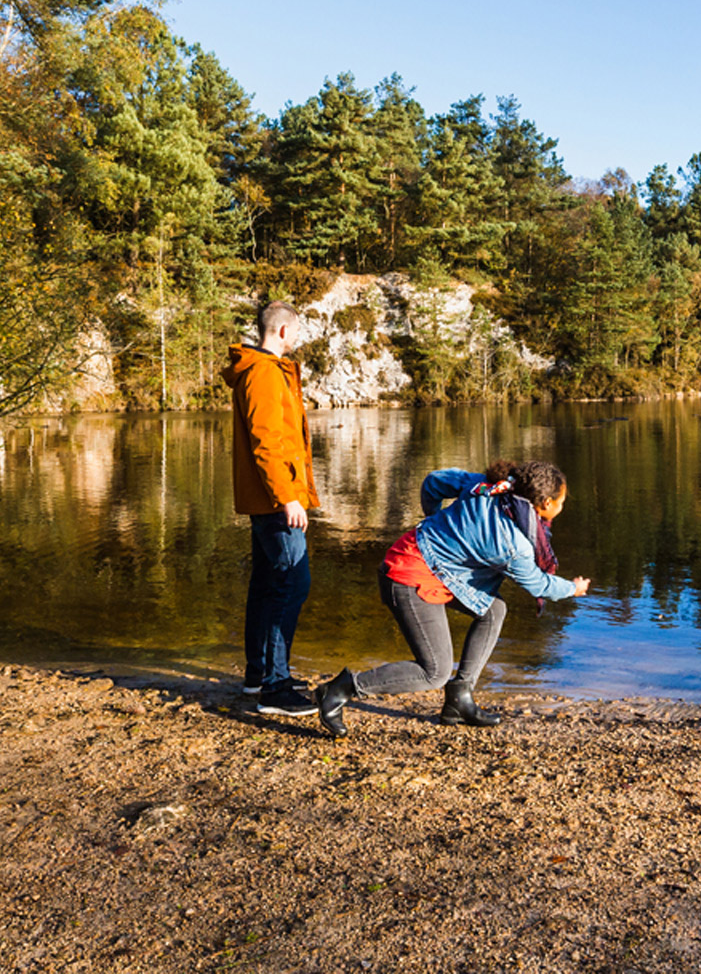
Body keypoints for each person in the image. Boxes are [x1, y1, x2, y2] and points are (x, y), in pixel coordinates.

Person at [316, 459, 589, 735]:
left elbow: (433, 483)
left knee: (493, 610)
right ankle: (341, 688)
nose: (562, 508)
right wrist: (572, 588)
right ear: (543, 503)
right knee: (433, 672)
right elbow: (539, 584)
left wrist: (435, 520)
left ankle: (460, 699)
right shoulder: (514, 545)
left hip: (428, 564)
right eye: (561, 502)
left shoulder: (485, 487)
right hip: (406, 577)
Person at [222, 299, 320, 718]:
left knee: (267, 583)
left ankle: (258, 674)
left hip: (270, 497)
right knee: (292, 583)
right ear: (282, 331)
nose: (297, 339)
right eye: (296, 332)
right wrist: (287, 496)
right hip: (276, 498)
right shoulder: (263, 372)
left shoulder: (262, 370)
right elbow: (267, 441)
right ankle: (274, 688)